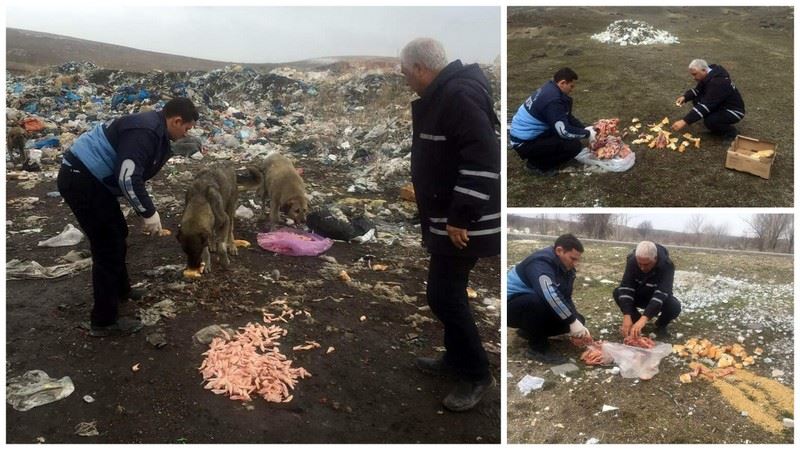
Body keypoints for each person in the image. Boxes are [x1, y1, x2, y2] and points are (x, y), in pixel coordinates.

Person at [399, 37, 501, 412]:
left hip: (463, 222)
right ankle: (456, 359)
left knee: (444, 295)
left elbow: (485, 157)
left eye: (406, 72)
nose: (405, 79)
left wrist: (461, 215)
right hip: (451, 216)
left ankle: (477, 374)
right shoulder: (447, 93)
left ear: (422, 69)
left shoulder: (457, 96)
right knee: (446, 292)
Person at [57, 97, 199, 337]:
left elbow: (137, 171)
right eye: (187, 128)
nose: (186, 134)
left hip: (92, 181)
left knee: (118, 233)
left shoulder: (158, 131)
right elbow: (127, 176)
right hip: (80, 179)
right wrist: (148, 212)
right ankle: (103, 321)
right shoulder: (145, 131)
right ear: (176, 120)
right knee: (107, 245)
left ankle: (121, 291)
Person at [507, 234, 591, 364]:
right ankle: (537, 349)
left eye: (577, 260)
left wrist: (575, 321)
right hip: (512, 307)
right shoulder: (540, 263)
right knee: (536, 301)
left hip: (532, 305)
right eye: (572, 259)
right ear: (559, 251)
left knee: (579, 319)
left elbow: (565, 297)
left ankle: (528, 331)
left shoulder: (566, 268)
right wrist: (571, 320)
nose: (575, 264)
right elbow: (548, 293)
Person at [509, 68, 596, 176]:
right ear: (563, 83)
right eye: (571, 86)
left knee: (569, 137)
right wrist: (587, 134)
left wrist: (585, 129)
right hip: (524, 143)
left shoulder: (550, 88)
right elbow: (564, 131)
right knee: (574, 146)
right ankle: (536, 164)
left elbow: (565, 116)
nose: (572, 89)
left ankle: (541, 154)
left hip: (527, 135)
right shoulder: (553, 100)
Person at [613, 241, 681, 340]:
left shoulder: (667, 266)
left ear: (655, 258)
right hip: (639, 294)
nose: (642, 267)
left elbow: (661, 293)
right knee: (618, 292)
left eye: (646, 264)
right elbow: (626, 287)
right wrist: (627, 315)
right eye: (639, 263)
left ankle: (660, 325)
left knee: (674, 306)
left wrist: (645, 318)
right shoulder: (632, 261)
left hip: (656, 297)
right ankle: (636, 321)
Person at [671, 59, 745, 140]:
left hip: (734, 111)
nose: (694, 78)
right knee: (697, 99)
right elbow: (698, 90)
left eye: (695, 74)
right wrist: (685, 97)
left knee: (711, 121)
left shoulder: (718, 83)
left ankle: (731, 133)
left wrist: (684, 121)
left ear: (704, 70)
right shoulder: (709, 74)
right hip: (721, 105)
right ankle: (715, 127)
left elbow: (705, 106)